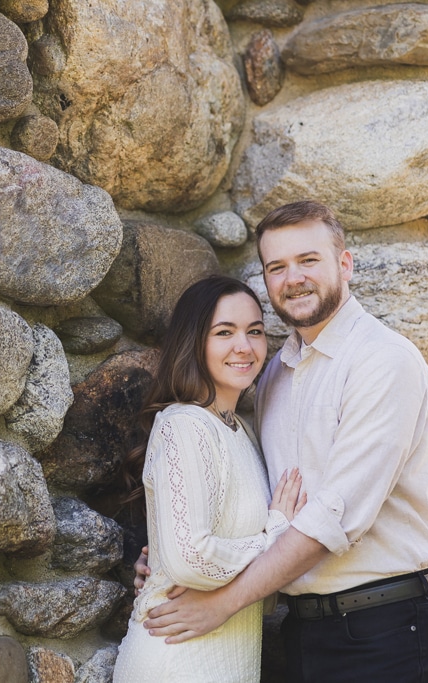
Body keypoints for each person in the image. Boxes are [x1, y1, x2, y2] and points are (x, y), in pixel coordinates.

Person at [137, 201, 428, 683]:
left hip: (387, 631)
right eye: (277, 267)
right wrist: (171, 559)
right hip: (302, 635)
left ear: (344, 264)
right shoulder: (272, 378)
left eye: (309, 260)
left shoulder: (382, 362)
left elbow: (333, 516)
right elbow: (258, 505)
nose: (294, 278)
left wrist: (222, 601)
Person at [112, 275, 306, 683]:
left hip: (227, 657)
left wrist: (161, 560)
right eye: (224, 332)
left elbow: (262, 593)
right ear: (195, 342)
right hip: (175, 660)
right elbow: (192, 560)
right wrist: (275, 535)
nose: (244, 346)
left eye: (254, 331)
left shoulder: (242, 432)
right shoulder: (183, 425)